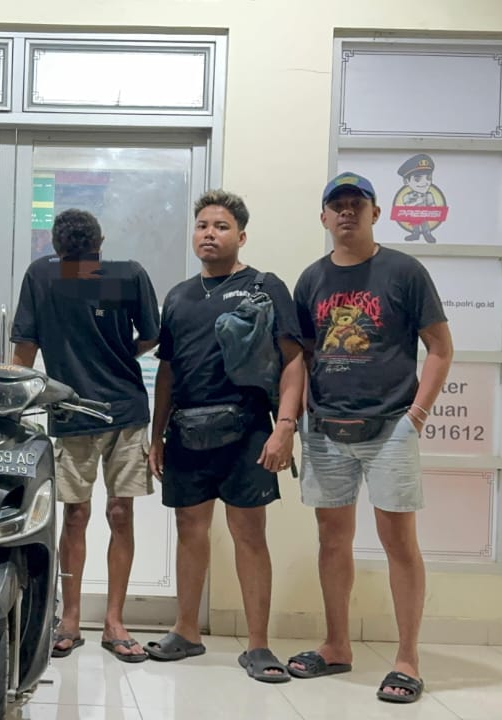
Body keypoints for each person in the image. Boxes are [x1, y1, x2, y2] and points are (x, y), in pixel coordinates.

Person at [287, 172, 453, 704]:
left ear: (375, 213)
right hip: (326, 429)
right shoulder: (311, 279)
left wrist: (416, 415)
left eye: (356, 204)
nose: (346, 212)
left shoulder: (404, 271)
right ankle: (337, 645)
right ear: (323, 216)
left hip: (390, 427)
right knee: (331, 540)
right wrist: (296, 417)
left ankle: (407, 659)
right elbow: (302, 355)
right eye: (336, 204)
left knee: (399, 542)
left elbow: (440, 347)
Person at [144, 190, 304, 682]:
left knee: (249, 534)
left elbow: (294, 359)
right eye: (202, 226)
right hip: (187, 430)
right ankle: (186, 632)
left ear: (241, 236)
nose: (209, 234)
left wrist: (284, 427)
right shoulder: (178, 297)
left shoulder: (264, 287)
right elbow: (168, 371)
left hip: (249, 430)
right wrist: (156, 435)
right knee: (189, 529)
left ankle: (258, 645)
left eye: (221, 226)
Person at [10, 209, 160, 662]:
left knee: (87, 515)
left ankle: (106, 621)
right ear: (101, 240)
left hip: (120, 412)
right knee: (108, 514)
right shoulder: (50, 277)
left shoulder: (118, 276)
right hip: (79, 411)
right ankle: (74, 620)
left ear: (55, 245)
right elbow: (148, 338)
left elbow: (23, 352)